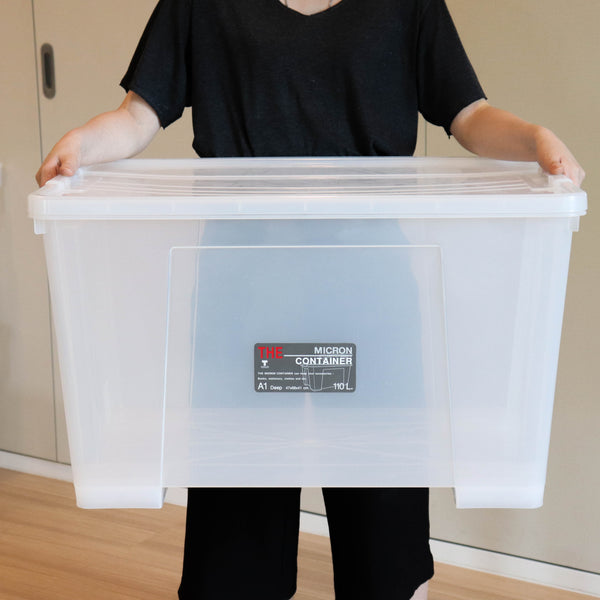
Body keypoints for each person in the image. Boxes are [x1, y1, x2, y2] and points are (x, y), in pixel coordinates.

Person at [35, 1, 585, 599]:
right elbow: (139, 115)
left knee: (383, 524)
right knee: (238, 524)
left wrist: (534, 139)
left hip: (369, 299)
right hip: (244, 301)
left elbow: (470, 115)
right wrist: (83, 144)